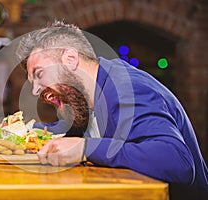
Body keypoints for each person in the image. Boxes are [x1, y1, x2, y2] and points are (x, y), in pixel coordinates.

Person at [16, 21, 208, 199]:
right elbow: (65, 132)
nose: (35, 91)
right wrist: (15, 133)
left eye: (39, 74)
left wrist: (85, 148)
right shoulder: (87, 99)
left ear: (70, 59)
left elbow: (179, 162)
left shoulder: (128, 89)